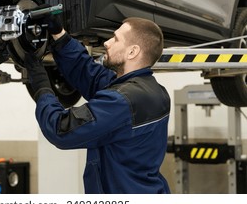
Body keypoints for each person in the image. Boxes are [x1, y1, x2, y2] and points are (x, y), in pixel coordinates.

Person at [24, 15, 171, 194]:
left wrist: (42, 87)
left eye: (116, 39)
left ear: (132, 52)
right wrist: (59, 35)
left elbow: (61, 129)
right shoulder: (153, 91)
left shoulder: (122, 101)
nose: (107, 43)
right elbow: (90, 75)